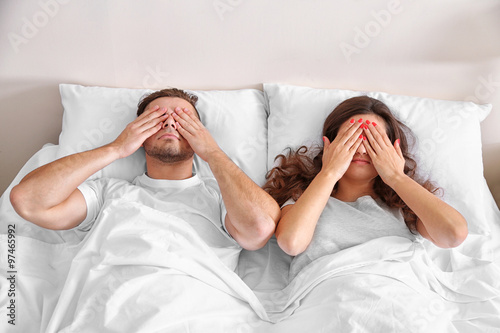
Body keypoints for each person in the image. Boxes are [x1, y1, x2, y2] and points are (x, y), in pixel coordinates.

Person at [10, 88, 281, 270]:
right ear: (137, 133)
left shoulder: (223, 199)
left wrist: (212, 152)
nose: (170, 124)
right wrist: (115, 148)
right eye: (157, 117)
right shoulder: (108, 194)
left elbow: (259, 228)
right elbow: (29, 201)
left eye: (184, 120)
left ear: (200, 133)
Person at [263, 96, 468, 278]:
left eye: (372, 140)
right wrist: (330, 172)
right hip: (329, 296)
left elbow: (454, 233)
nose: (361, 149)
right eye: (351, 139)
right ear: (330, 145)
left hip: (398, 291)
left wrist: (396, 176)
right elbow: (291, 242)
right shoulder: (303, 197)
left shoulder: (405, 205)